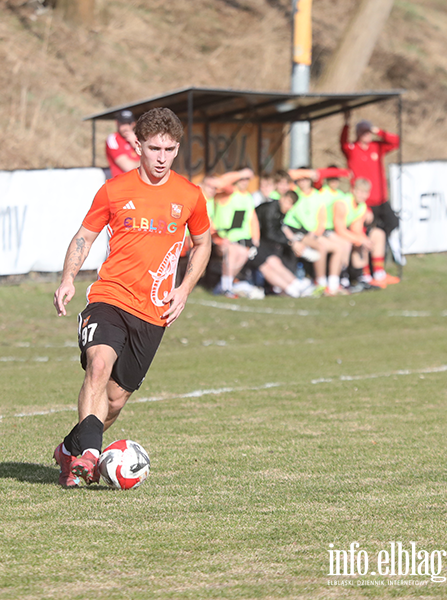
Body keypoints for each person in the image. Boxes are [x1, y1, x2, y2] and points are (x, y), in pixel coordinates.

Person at [52, 107, 212, 487]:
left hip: (154, 311)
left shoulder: (189, 195)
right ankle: (90, 456)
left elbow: (203, 243)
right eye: (154, 148)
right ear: (136, 144)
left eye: (170, 149)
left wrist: (184, 289)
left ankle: (69, 449)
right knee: (98, 366)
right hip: (109, 297)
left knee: (116, 398)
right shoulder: (114, 190)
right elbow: (84, 237)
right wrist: (68, 279)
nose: (162, 157)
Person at [341, 112, 401, 285]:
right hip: (365, 204)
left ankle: (379, 266)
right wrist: (346, 125)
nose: (366, 135)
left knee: (391, 224)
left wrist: (378, 131)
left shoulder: (377, 146)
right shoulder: (352, 149)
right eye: (363, 131)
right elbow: (343, 143)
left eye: (368, 132)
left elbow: (395, 141)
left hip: (381, 199)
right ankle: (365, 271)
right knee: (366, 234)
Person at [283, 170, 348, 296]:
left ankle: (333, 284)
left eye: (306, 179)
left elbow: (322, 219)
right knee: (321, 247)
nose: (303, 182)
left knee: (339, 248)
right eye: (301, 179)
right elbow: (289, 174)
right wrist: (307, 172)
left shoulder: (318, 195)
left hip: (314, 234)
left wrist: (316, 233)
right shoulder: (294, 193)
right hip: (298, 232)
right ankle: (321, 283)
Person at [207, 168, 262, 298]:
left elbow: (252, 219)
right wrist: (241, 173)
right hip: (222, 238)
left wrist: (256, 239)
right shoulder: (229, 193)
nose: (244, 182)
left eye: (247, 179)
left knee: (243, 253)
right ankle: (226, 287)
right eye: (242, 179)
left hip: (241, 240)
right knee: (231, 252)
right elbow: (220, 183)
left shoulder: (248, 196)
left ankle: (224, 285)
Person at [105, 110, 140, 178]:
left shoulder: (139, 139)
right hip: (121, 183)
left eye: (128, 123)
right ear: (117, 123)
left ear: (133, 124)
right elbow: (128, 167)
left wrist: (136, 146)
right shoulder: (113, 139)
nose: (125, 127)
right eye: (123, 124)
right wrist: (147, 163)